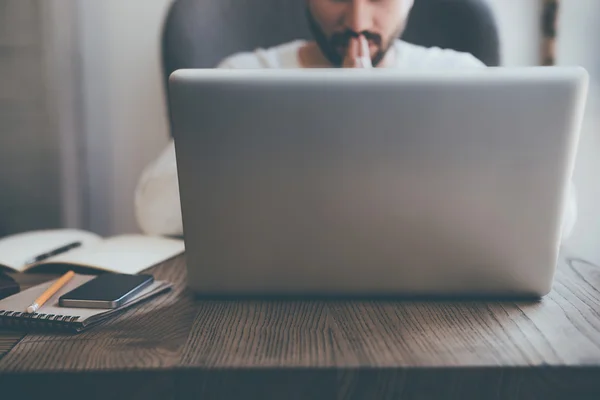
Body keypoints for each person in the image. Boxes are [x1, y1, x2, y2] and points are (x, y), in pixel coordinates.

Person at [134, 0, 577, 241]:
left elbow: (557, 218)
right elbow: (153, 212)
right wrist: (317, 120)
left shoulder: (461, 77)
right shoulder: (243, 75)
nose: (358, 20)